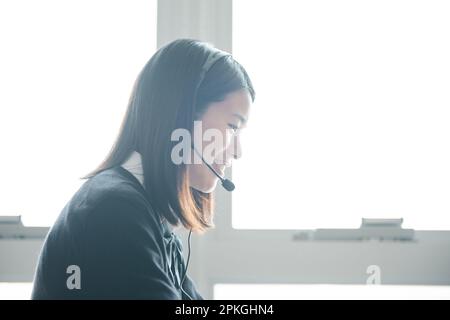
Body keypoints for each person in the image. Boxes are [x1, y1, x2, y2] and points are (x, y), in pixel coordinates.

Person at [31, 38, 255, 299]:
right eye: (232, 127)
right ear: (183, 115)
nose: (238, 151)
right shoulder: (115, 212)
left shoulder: (149, 215)